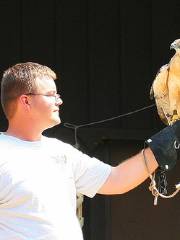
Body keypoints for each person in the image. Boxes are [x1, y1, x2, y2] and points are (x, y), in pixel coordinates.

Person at [0, 62, 180, 240]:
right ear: (26, 101)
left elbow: (116, 179)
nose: (59, 101)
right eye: (51, 95)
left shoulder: (60, 151)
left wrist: (170, 138)